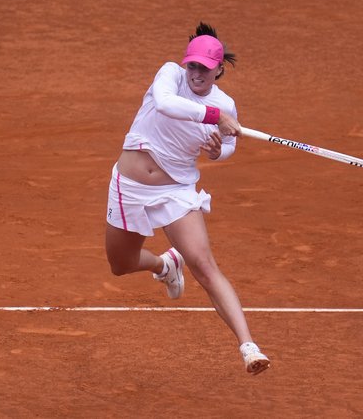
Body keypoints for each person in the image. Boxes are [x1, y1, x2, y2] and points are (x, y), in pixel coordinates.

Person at [104, 22, 270, 375]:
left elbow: (229, 144)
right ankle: (164, 265)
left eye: (204, 68)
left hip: (175, 190)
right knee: (121, 264)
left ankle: (248, 346)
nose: (196, 73)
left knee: (204, 265)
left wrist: (216, 152)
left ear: (219, 70)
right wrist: (215, 117)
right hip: (129, 187)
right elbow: (166, 105)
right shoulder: (170, 76)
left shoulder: (226, 104)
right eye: (192, 65)